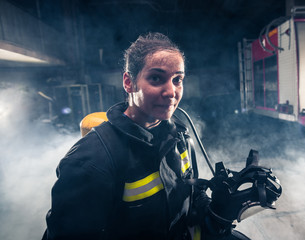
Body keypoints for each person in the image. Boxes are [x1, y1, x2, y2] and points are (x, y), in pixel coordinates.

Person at [42, 32, 280, 240]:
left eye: (178, 80)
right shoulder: (91, 161)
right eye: (156, 78)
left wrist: (218, 210)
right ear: (129, 82)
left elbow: (191, 197)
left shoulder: (180, 137)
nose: (171, 92)